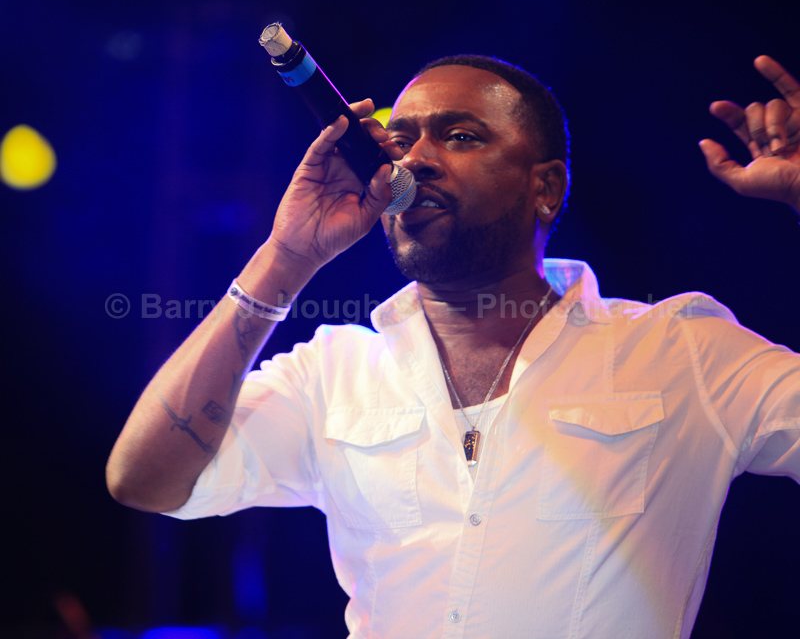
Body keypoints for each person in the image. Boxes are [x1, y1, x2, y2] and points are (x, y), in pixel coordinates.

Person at [107, 54, 800, 638]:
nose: (415, 160)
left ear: (546, 188)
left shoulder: (678, 352)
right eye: (399, 142)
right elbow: (144, 479)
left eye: (461, 136)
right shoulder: (334, 372)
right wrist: (286, 257)